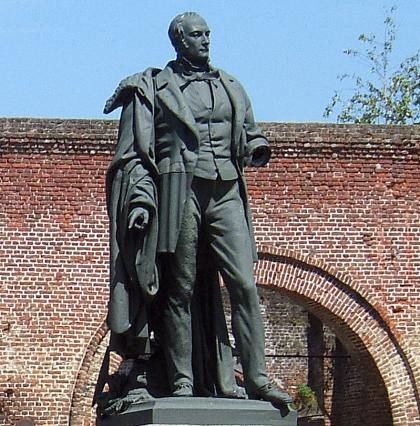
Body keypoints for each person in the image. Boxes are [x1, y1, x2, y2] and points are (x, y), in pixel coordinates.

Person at [103, 12, 293, 410]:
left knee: (244, 284)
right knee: (180, 287)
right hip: (180, 191)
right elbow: (137, 154)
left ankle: (258, 379)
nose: (205, 40)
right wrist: (140, 201)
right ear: (179, 41)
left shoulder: (231, 86)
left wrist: (256, 147)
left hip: (226, 191)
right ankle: (182, 381)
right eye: (196, 35)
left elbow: (249, 132)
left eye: (207, 33)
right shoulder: (155, 87)